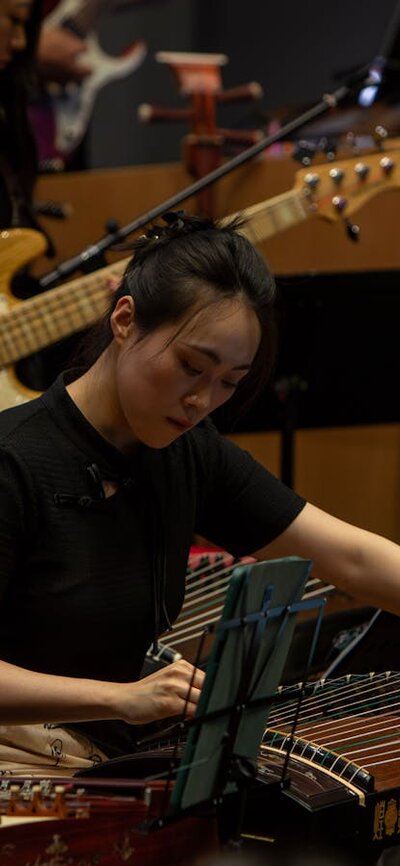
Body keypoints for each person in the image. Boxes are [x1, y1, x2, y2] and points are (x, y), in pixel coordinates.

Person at [1, 211, 400, 778]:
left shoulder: (188, 452)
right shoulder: (13, 459)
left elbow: (353, 558)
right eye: (192, 366)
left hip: (104, 765)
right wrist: (121, 699)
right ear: (124, 319)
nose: (202, 401)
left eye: (229, 383)